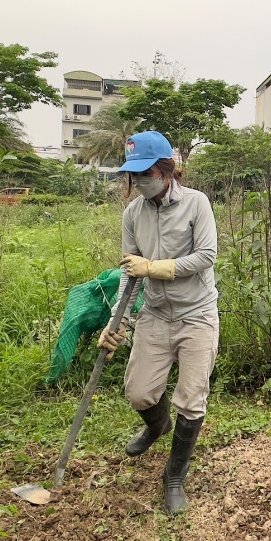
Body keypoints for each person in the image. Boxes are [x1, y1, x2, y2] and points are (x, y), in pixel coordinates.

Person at [97, 130, 219, 516]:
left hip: (197, 313)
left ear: (166, 170)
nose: (139, 182)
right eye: (133, 175)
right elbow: (130, 274)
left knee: (191, 399)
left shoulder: (196, 204)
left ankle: (174, 476)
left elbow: (207, 256)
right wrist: (120, 321)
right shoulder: (132, 213)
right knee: (138, 393)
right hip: (155, 315)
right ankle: (155, 426)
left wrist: (158, 268)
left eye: (145, 173)